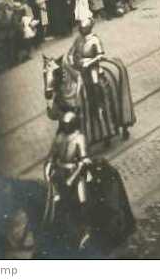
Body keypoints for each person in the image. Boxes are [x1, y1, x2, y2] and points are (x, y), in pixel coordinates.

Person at [44, 111, 92, 247]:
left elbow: (84, 161)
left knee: (81, 199)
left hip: (75, 173)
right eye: (64, 124)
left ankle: (85, 231)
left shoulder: (80, 138)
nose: (65, 127)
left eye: (67, 124)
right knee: (53, 199)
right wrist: (47, 171)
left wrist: (72, 179)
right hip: (60, 172)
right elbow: (51, 157)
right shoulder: (59, 137)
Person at [68, 18, 105, 109]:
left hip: (91, 65)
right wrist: (71, 60)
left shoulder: (95, 39)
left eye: (84, 28)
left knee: (94, 81)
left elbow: (100, 55)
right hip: (79, 65)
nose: (81, 30)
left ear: (89, 28)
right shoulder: (78, 39)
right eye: (81, 28)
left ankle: (99, 103)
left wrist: (89, 63)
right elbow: (71, 52)